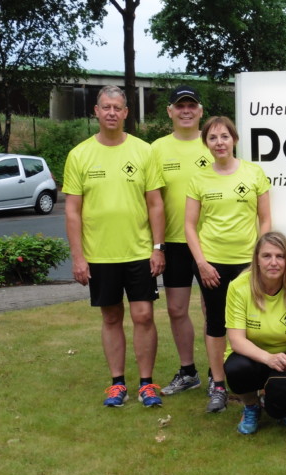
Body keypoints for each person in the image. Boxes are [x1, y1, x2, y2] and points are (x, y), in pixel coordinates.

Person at [63, 85, 166, 408]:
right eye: (105, 107)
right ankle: (117, 383)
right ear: (96, 111)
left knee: (144, 315)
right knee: (110, 317)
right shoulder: (79, 155)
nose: (111, 112)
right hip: (99, 254)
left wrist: (158, 247)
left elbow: (156, 205)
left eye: (117, 108)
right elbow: (72, 211)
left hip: (139, 252)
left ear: (125, 113)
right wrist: (78, 257)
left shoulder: (144, 151)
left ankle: (147, 384)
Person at [185, 116, 272, 413]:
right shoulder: (199, 178)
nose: (219, 142)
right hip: (212, 264)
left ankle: (262, 384)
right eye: (212, 138)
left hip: (249, 263)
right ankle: (219, 385)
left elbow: (265, 220)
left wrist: (258, 260)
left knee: (256, 323)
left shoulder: (254, 173)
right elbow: (189, 225)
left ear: (234, 139)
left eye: (224, 136)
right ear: (206, 143)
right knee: (216, 323)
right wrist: (201, 263)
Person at [151, 85, 213, 396]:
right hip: (174, 244)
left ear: (200, 110)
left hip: (211, 242)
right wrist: (157, 246)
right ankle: (188, 372)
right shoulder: (157, 149)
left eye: (191, 105)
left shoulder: (214, 143)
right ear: (170, 111)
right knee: (176, 309)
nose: (186, 111)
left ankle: (217, 374)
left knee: (213, 310)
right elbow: (152, 201)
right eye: (180, 106)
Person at [223, 232, 286, 434]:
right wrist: (268, 358)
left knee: (279, 406)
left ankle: (280, 404)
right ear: (256, 259)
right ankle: (251, 406)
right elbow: (236, 340)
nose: (274, 262)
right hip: (251, 356)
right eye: (267, 256)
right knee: (236, 369)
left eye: (280, 256)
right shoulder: (239, 287)